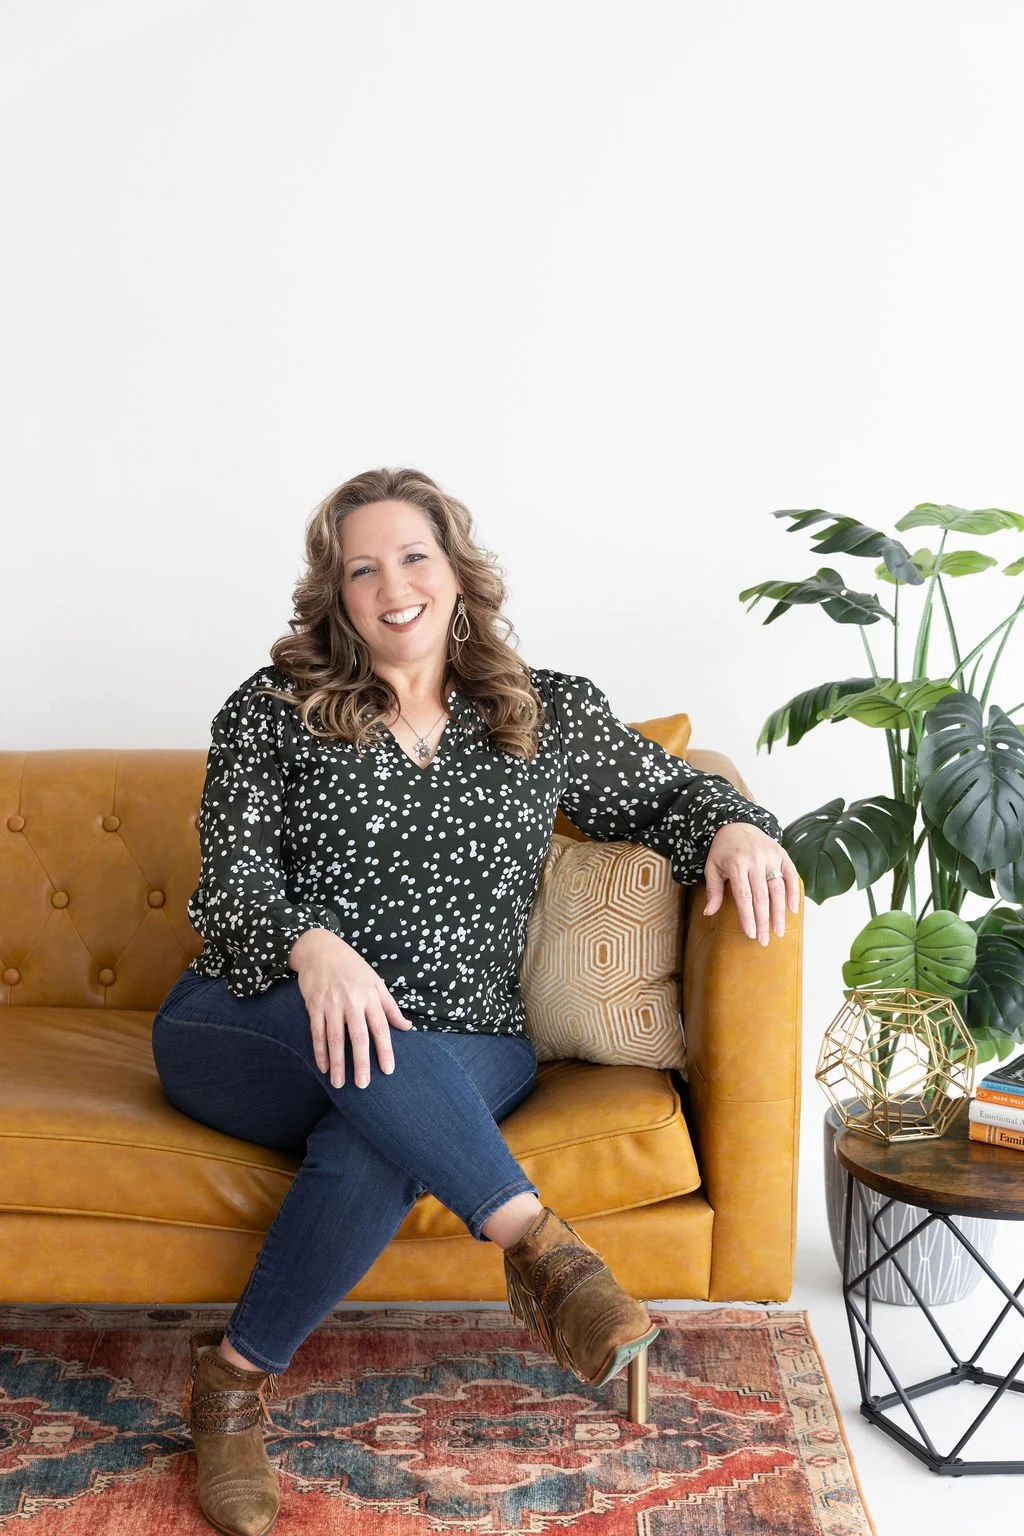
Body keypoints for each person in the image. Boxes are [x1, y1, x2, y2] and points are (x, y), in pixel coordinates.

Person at [152, 467, 797, 1536]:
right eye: (362, 568)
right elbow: (230, 888)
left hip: (466, 1041)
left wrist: (731, 824)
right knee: (363, 1056)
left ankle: (228, 1384)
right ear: (337, 595)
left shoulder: (538, 714)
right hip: (253, 1016)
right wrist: (314, 949)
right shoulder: (273, 713)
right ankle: (545, 1252)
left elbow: (671, 791)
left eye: (413, 556)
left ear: (455, 572)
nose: (391, 584)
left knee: (376, 1131)